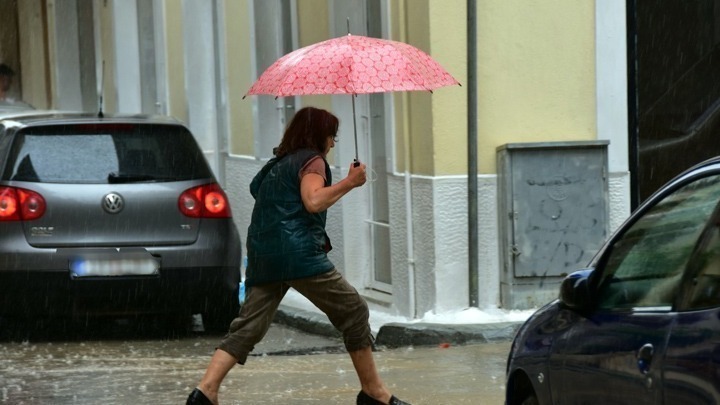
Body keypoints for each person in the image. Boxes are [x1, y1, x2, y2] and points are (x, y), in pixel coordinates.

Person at [186, 107, 410, 405]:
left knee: (248, 326)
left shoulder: (277, 164)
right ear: (320, 134)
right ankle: (373, 392)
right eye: (332, 136)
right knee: (354, 311)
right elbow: (313, 201)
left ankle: (205, 391)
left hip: (266, 256)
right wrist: (350, 182)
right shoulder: (312, 160)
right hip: (299, 254)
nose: (332, 143)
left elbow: (265, 196)